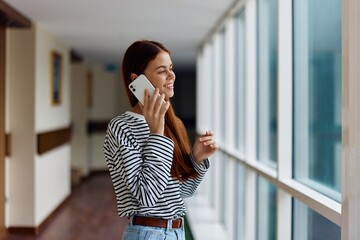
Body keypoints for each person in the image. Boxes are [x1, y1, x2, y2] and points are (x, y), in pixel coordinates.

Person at [103, 40, 218, 240]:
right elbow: (146, 197)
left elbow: (180, 192)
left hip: (176, 232)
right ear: (137, 80)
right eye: (162, 70)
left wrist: (196, 160)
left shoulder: (174, 124)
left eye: (171, 69)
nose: (172, 76)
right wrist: (156, 134)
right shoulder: (121, 127)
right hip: (147, 233)